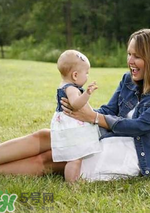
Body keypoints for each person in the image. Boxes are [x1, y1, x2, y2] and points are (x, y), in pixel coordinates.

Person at [0, 29, 150, 181]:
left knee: (49, 159)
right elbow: (108, 110)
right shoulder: (128, 80)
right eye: (129, 54)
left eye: (137, 56)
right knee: (44, 135)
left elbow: (139, 126)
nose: (130, 61)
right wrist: (80, 113)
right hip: (110, 136)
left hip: (135, 152)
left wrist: (94, 118)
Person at [50, 50, 101, 183]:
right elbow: (75, 104)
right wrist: (87, 94)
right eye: (87, 73)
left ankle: (74, 180)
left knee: (74, 158)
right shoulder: (71, 89)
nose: (88, 76)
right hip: (71, 128)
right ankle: (72, 183)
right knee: (75, 158)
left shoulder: (64, 85)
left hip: (66, 125)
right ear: (75, 75)